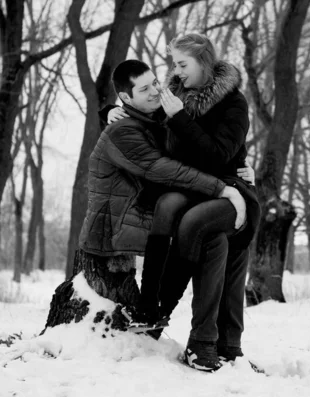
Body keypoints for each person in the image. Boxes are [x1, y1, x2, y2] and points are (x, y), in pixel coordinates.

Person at [104, 34, 260, 372]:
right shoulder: (172, 95)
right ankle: (156, 312)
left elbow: (219, 157)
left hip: (229, 187)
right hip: (192, 187)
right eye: (174, 63)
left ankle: (166, 311)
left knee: (196, 225)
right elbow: (143, 112)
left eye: (182, 64)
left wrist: (180, 120)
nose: (176, 70)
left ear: (203, 62)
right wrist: (114, 110)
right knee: (175, 212)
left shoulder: (233, 103)